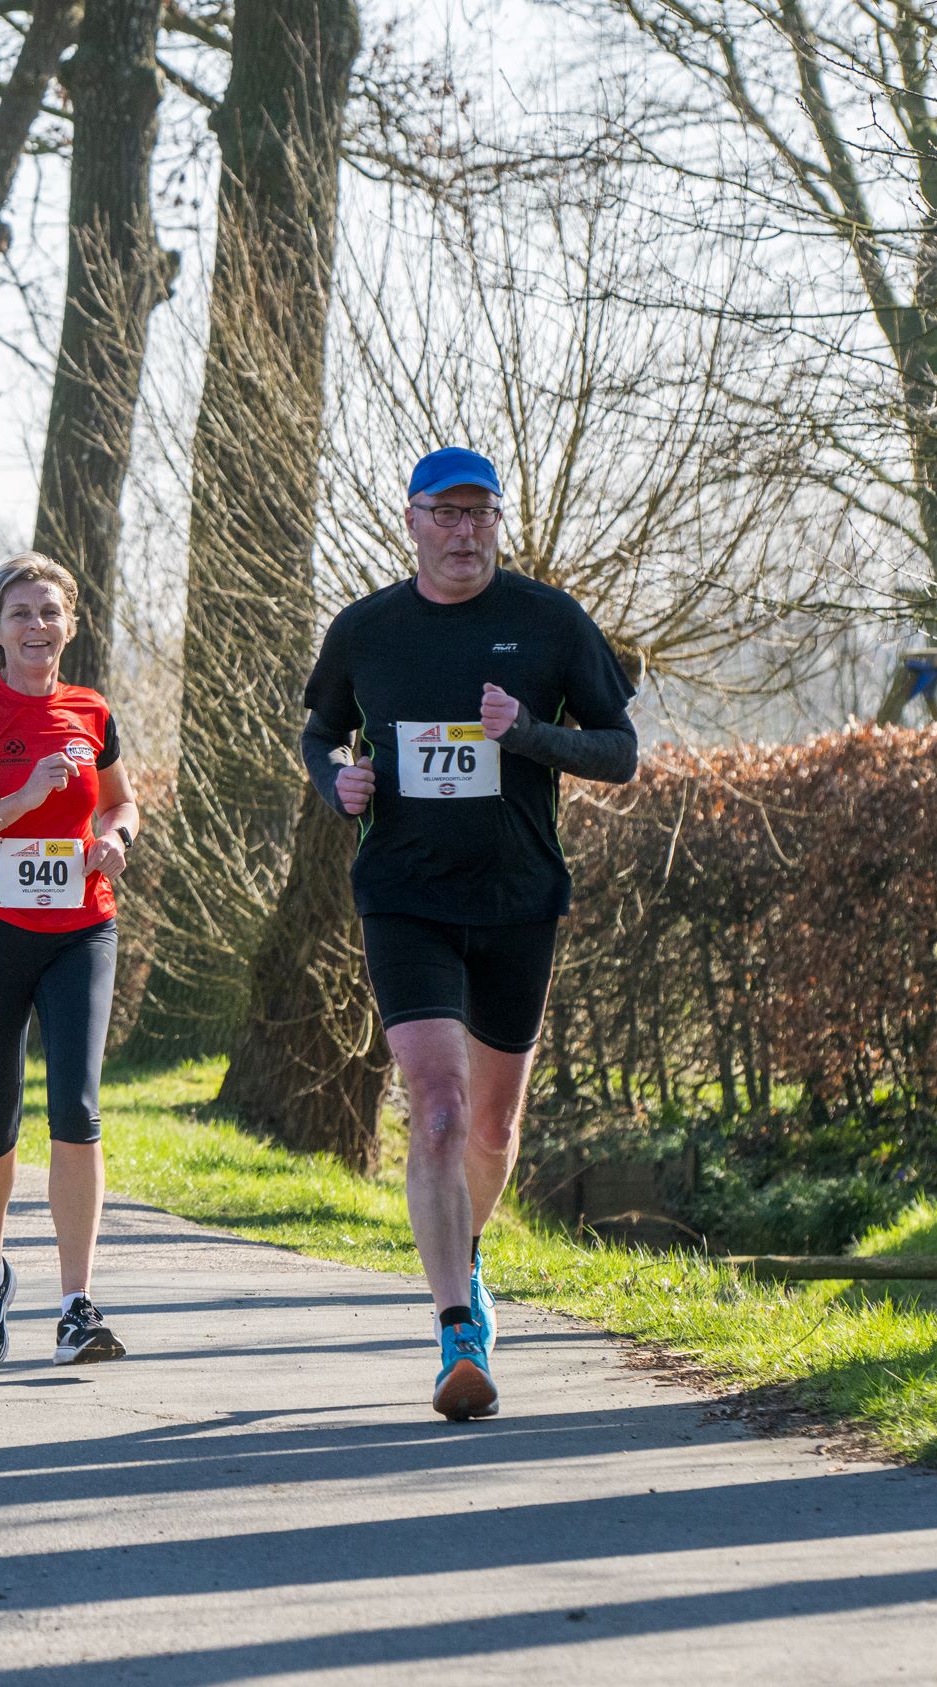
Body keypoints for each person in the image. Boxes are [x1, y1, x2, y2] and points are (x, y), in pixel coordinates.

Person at [299, 447, 638, 1420]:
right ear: (412, 519)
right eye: (445, 513)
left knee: (492, 1127)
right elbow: (319, 733)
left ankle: (468, 1253)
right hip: (404, 894)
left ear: (498, 520)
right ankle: (458, 1332)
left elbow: (620, 752)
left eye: (480, 514)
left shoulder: (547, 621)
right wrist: (339, 783)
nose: (464, 531)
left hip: (519, 900)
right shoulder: (366, 629)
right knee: (439, 1112)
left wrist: (528, 730)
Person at [0, 555, 140, 1369]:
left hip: (82, 929)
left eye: (50, 612)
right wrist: (17, 801)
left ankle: (77, 1303)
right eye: (20, 613)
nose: (37, 626)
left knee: (76, 1108)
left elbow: (119, 798)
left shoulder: (92, 710)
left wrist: (114, 837)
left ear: (70, 624)